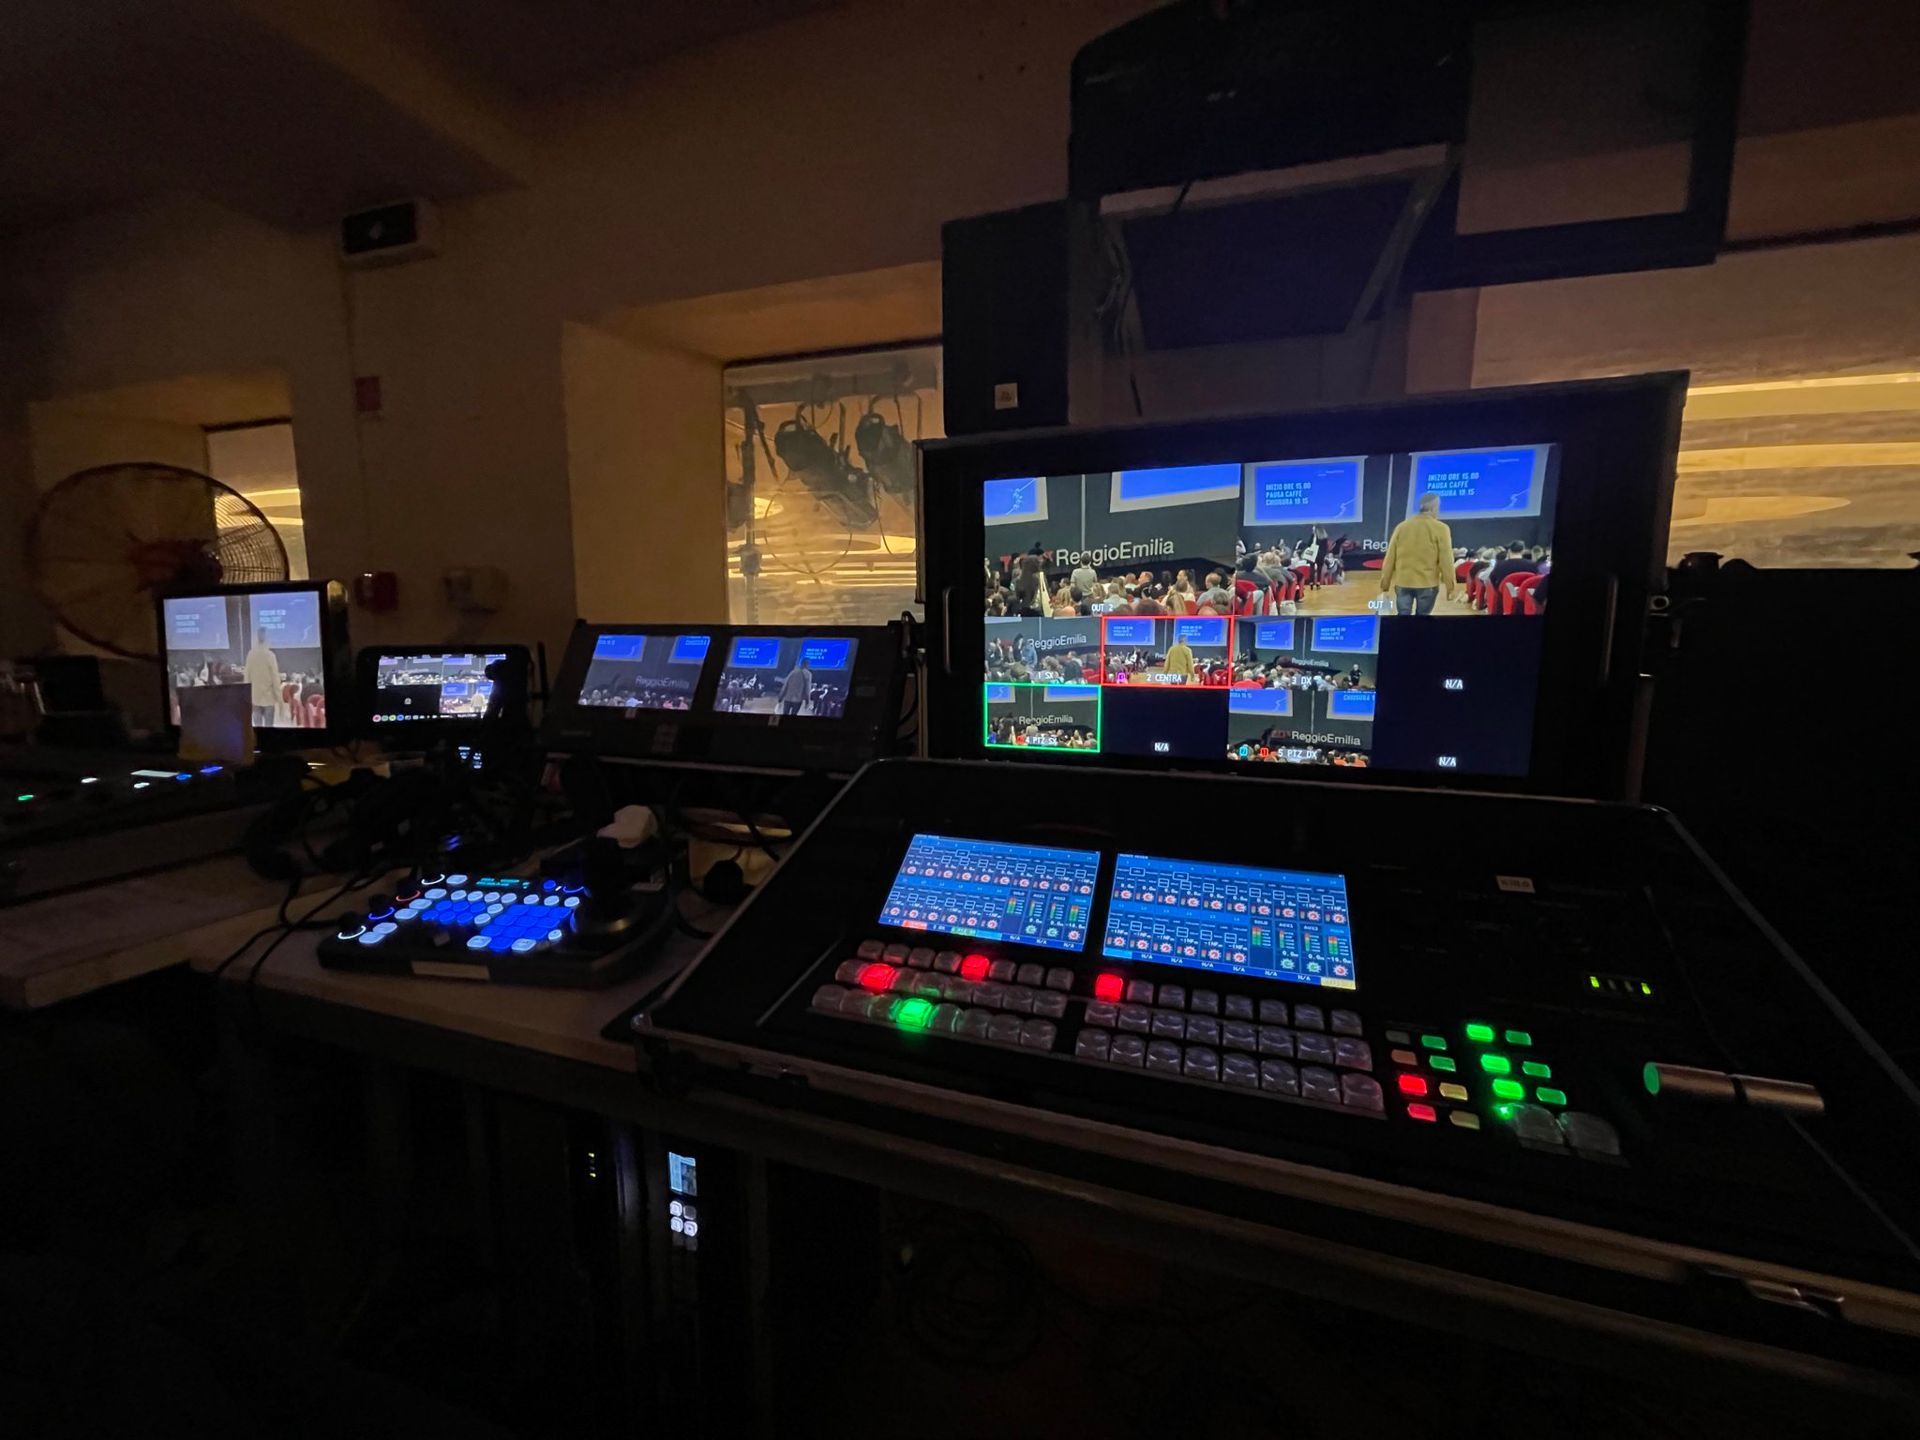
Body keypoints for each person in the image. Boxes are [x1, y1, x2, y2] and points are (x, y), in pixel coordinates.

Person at [1377, 493, 1457, 616]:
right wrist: (1450, 587)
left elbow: (1390, 557)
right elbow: (1446, 561)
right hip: (1427, 584)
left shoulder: (1402, 527)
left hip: (1403, 583)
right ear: (1434, 507)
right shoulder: (1441, 528)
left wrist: (1385, 583)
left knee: (1403, 618)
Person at [244, 626, 281, 728]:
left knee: (257, 730)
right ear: (267, 639)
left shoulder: (250, 655)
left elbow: (246, 677)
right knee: (269, 729)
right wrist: (280, 699)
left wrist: (247, 697)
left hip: (255, 697)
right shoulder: (270, 655)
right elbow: (275, 679)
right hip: (268, 698)